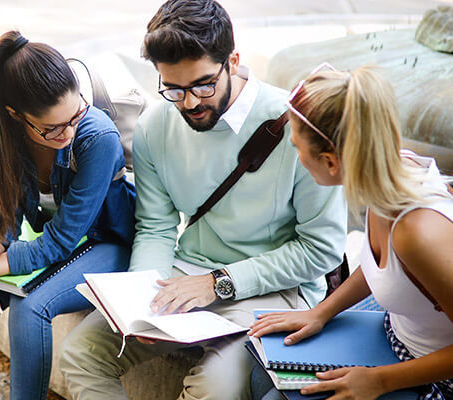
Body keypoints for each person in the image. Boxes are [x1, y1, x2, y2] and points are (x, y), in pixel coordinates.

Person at [58, 1, 348, 399]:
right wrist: (142, 304)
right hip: (185, 274)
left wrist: (220, 284)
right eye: (174, 89)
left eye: (203, 85)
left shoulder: (296, 125)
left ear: (234, 60)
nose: (190, 103)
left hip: (276, 290)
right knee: (80, 354)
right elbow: (156, 227)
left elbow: (322, 249)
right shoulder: (155, 127)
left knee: (215, 388)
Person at [0, 30, 136, 400]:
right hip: (67, 244)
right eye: (53, 128)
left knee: (30, 307)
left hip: (113, 244)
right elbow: (2, 226)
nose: (69, 132)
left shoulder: (97, 137)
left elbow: (61, 241)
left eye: (76, 114)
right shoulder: (3, 140)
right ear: (16, 117)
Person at [248, 64, 453, 400]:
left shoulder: (417, 232)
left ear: (330, 161)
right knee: (262, 375)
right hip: (397, 334)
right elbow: (384, 267)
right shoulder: (387, 174)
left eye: (297, 148)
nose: (296, 157)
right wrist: (321, 311)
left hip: (434, 374)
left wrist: (380, 382)